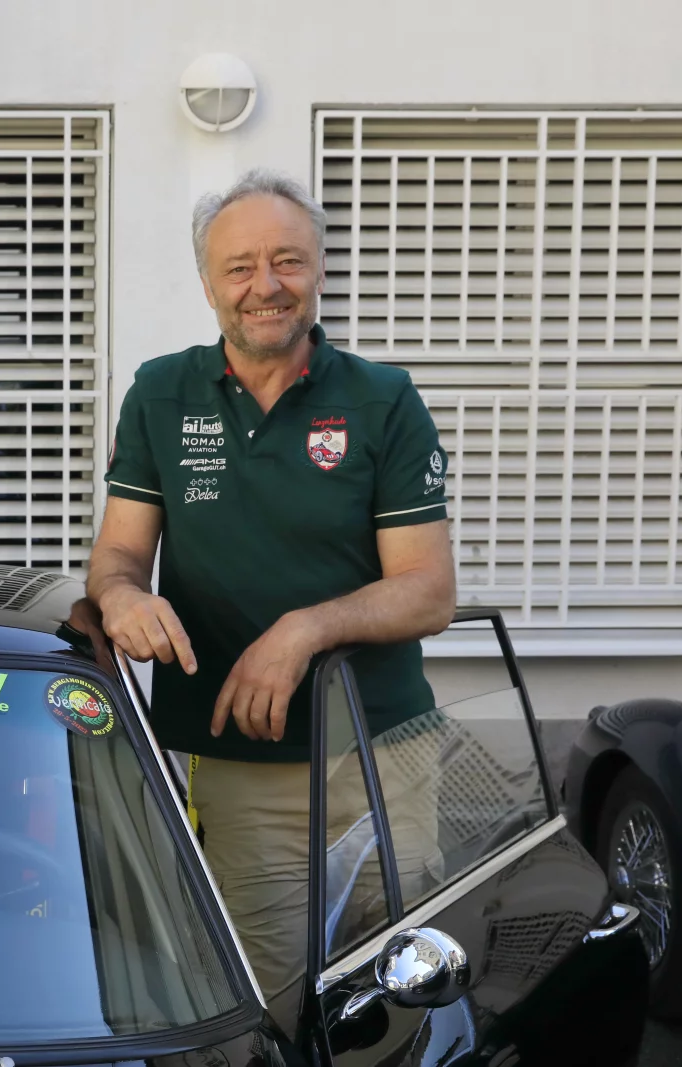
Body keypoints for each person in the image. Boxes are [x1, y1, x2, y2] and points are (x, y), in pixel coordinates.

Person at [85, 168, 456, 999]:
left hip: (383, 751)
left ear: (319, 269)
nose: (266, 285)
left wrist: (301, 629)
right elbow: (117, 557)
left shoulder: (384, 398)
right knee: (270, 995)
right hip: (238, 759)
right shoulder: (160, 393)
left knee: (401, 984)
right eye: (240, 266)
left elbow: (429, 589)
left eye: (287, 260)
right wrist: (122, 597)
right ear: (208, 284)